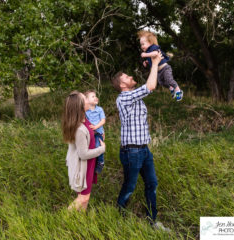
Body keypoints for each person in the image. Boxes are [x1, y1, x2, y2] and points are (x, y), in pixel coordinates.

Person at [111, 51, 170, 231]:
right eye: (127, 76)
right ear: (122, 84)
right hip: (132, 151)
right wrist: (154, 62)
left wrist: (155, 66)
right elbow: (150, 86)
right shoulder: (124, 98)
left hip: (144, 150)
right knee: (130, 186)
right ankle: (117, 219)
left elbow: (152, 83)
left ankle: (152, 221)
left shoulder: (134, 96)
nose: (131, 76)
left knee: (152, 184)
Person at [62, 91, 105, 211]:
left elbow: (90, 132)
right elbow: (83, 154)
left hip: (89, 164)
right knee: (83, 198)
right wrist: (101, 149)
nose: (87, 100)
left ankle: (81, 221)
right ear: (80, 106)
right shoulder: (79, 129)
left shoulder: (84, 119)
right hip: (83, 166)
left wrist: (98, 133)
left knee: (85, 196)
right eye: (85, 99)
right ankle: (63, 218)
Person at [137, 30, 183, 101]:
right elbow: (152, 59)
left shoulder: (153, 47)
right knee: (161, 82)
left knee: (169, 80)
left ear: (151, 42)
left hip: (165, 68)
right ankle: (171, 88)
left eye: (143, 44)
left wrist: (146, 55)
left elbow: (155, 54)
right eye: (141, 44)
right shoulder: (148, 51)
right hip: (159, 71)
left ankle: (178, 91)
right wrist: (146, 61)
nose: (141, 46)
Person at [84, 90, 106, 174]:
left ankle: (101, 162)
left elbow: (103, 121)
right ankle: (92, 164)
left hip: (98, 132)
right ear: (87, 100)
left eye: (95, 96)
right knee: (90, 148)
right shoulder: (86, 111)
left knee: (98, 145)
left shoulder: (99, 109)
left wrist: (96, 127)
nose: (95, 97)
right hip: (89, 134)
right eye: (92, 96)